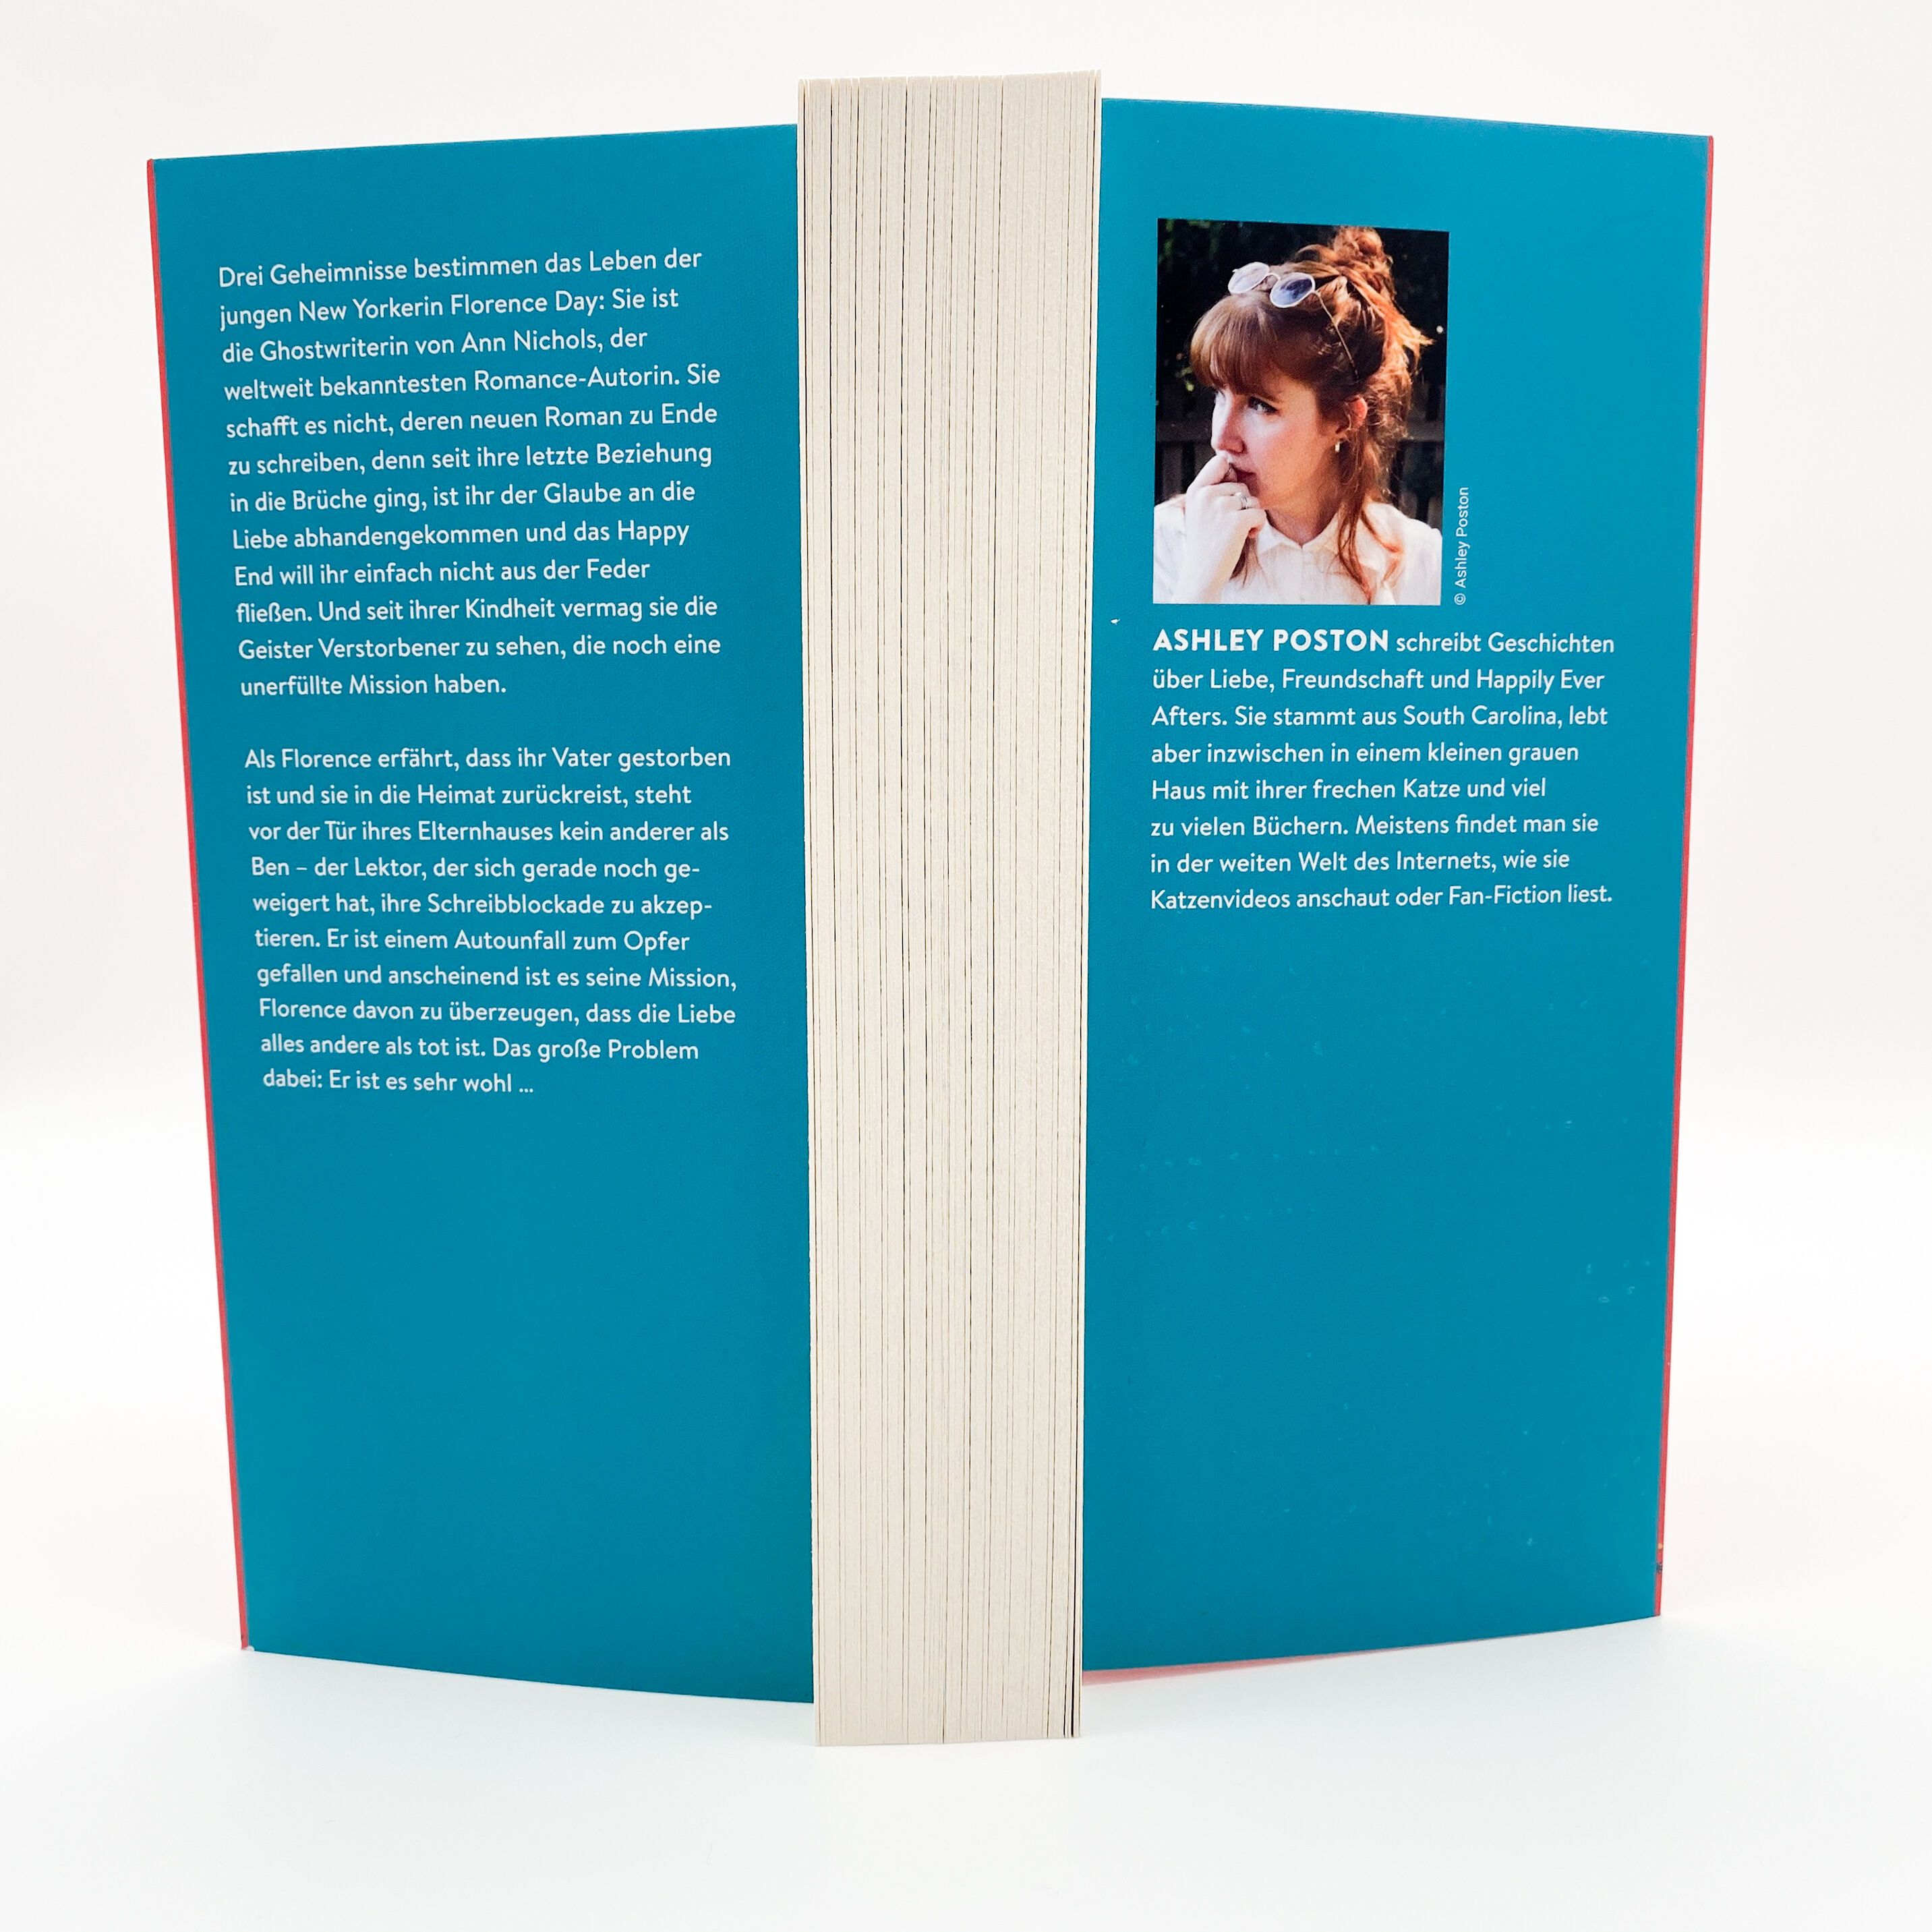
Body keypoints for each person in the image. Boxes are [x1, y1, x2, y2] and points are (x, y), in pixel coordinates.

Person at [1153, 228, 1441, 605]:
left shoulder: (1422, 566)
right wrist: (1199, 585)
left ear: (1342, 421)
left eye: (1260, 405)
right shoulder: (1167, 542)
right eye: (1219, 395)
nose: (1221, 439)